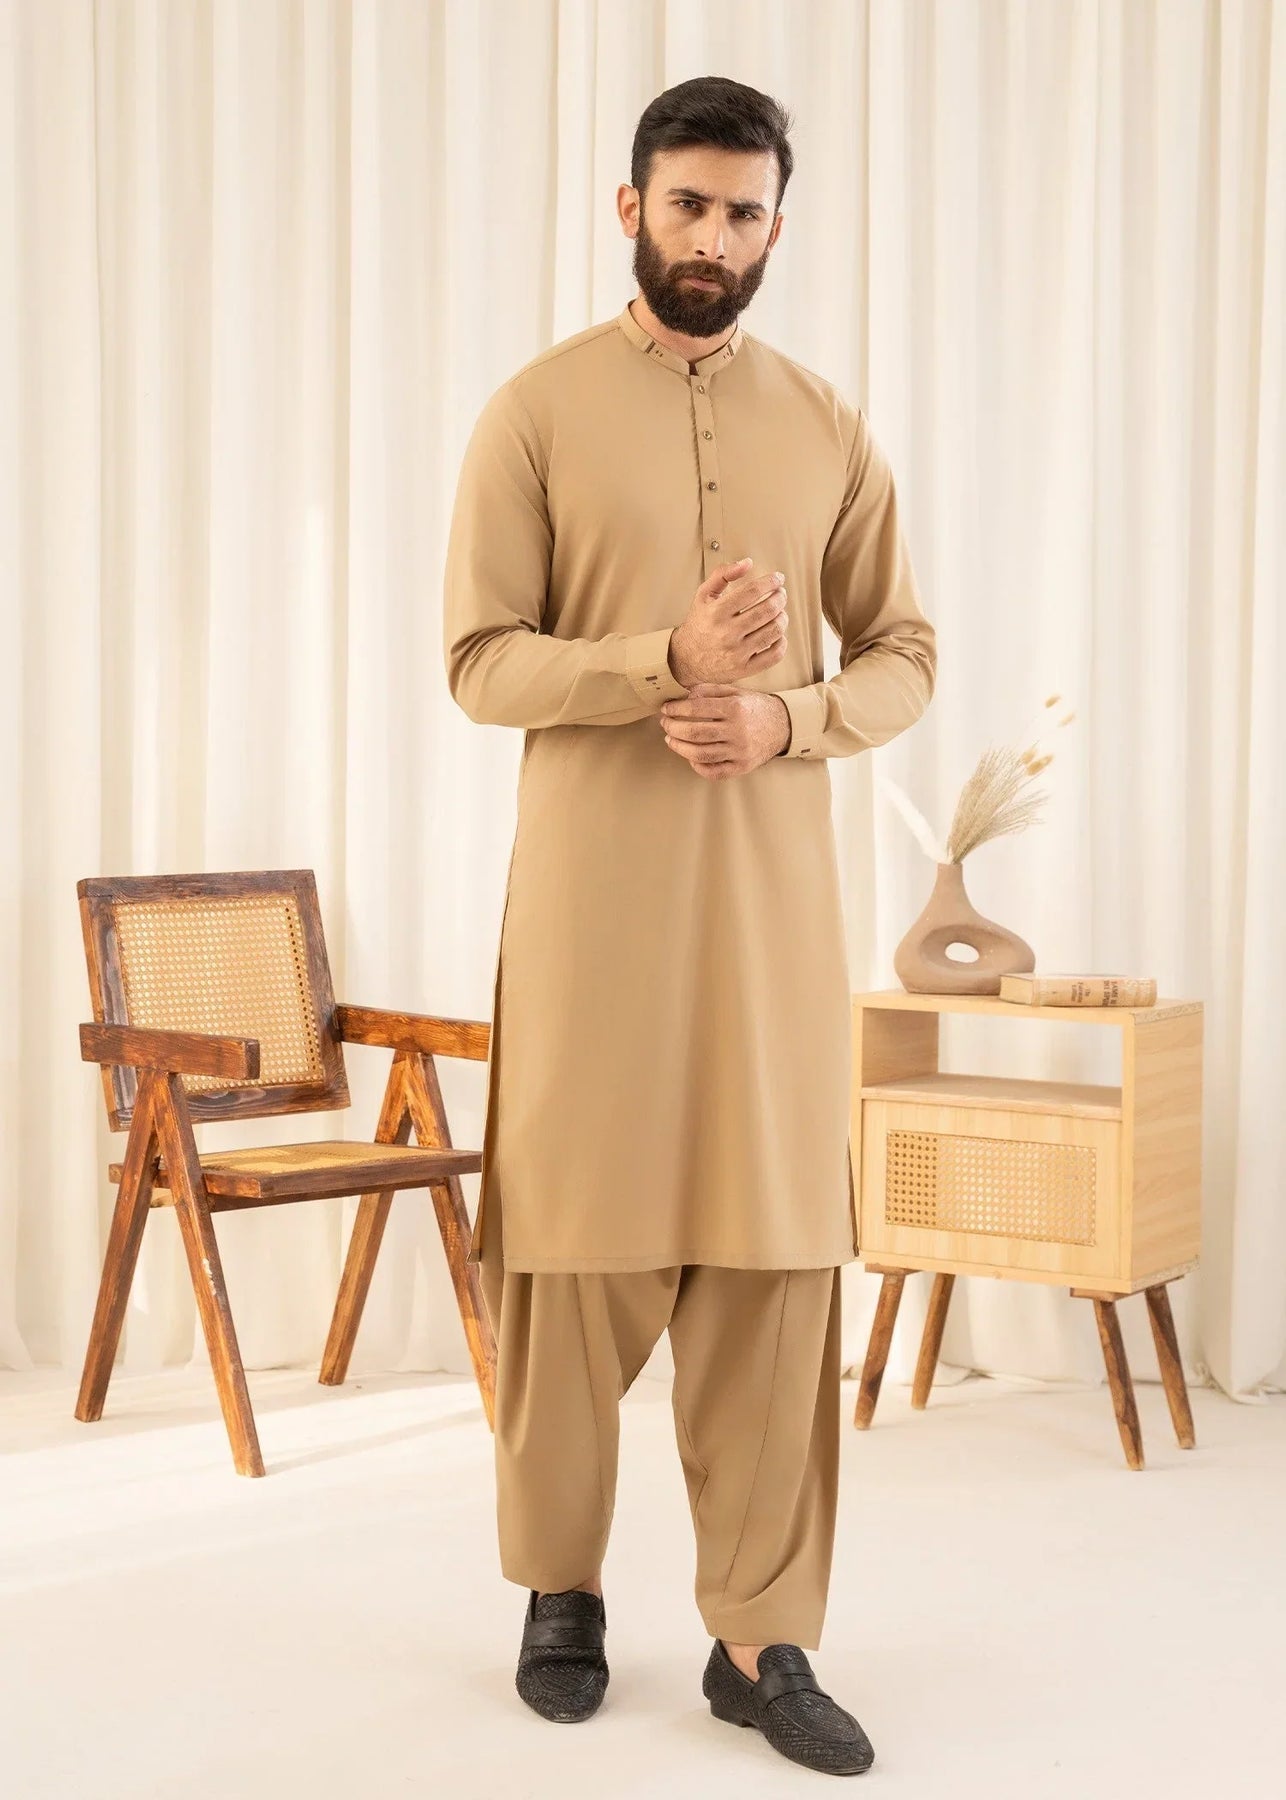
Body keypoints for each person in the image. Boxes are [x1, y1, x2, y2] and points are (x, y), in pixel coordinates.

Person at [442, 74, 937, 1778]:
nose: (711, 236)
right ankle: (560, 1590)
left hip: (771, 922)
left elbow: (904, 653)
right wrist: (661, 661)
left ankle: (759, 1639)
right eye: (685, 205)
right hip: (595, 911)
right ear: (629, 209)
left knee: (777, 1258)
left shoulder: (826, 423)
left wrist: (788, 716)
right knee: (570, 1252)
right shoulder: (534, 413)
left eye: (740, 211)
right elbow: (479, 663)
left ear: (774, 225)